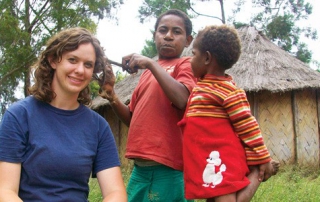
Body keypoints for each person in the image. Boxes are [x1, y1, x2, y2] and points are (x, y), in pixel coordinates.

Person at [0, 27, 127, 201]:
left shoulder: (98, 126)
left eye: (88, 64)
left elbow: (115, 193)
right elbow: (5, 191)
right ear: (53, 60)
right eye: (72, 60)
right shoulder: (19, 116)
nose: (80, 70)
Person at [100, 9, 196, 202]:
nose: (168, 36)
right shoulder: (146, 74)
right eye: (163, 30)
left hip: (169, 170)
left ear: (188, 40)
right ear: (155, 36)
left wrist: (151, 64)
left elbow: (182, 100)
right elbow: (132, 118)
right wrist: (112, 96)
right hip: (140, 171)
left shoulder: (187, 64)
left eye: (176, 32)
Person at [178, 24, 278, 202]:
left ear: (207, 58)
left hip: (222, 158)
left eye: (193, 54)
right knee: (213, 197)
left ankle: (257, 173)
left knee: (226, 199)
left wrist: (262, 157)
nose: (189, 60)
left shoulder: (228, 91)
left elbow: (248, 124)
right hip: (206, 158)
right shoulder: (203, 86)